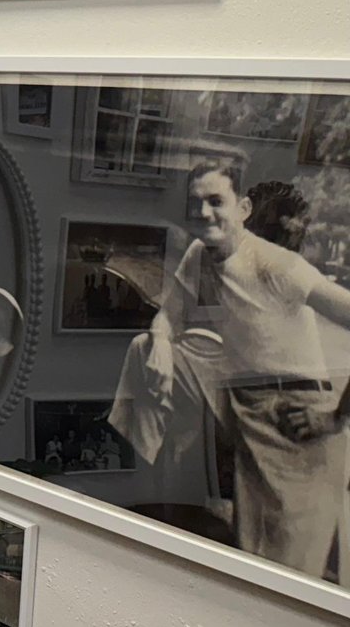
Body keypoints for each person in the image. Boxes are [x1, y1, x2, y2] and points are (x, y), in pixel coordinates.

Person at [115, 156, 350, 577]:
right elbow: (168, 314)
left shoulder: (278, 266)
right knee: (142, 349)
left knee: (277, 579)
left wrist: (334, 419)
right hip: (243, 401)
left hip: (297, 421)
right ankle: (161, 503)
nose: (204, 213)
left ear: (243, 209)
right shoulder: (200, 254)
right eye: (195, 204)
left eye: (216, 202)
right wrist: (161, 340)